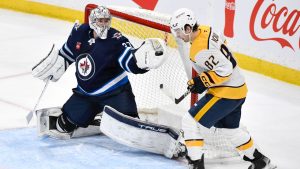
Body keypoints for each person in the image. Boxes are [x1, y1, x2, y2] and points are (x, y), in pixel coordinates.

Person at [31, 6, 167, 138]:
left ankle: (109, 118)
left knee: (129, 128)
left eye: (106, 20)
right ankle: (96, 120)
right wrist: (59, 63)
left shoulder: (116, 39)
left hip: (115, 93)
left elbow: (130, 61)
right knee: (63, 126)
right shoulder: (80, 32)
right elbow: (67, 54)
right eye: (99, 20)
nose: (103, 24)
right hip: (85, 94)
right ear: (91, 21)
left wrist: (141, 61)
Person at [170, 8, 273, 169]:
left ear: (188, 28)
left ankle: (196, 164)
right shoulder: (206, 29)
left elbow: (225, 69)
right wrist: (201, 80)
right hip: (239, 89)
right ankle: (260, 161)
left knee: (190, 121)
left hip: (226, 93)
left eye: (178, 31)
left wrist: (202, 81)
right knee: (230, 131)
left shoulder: (199, 50)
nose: (177, 35)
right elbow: (223, 45)